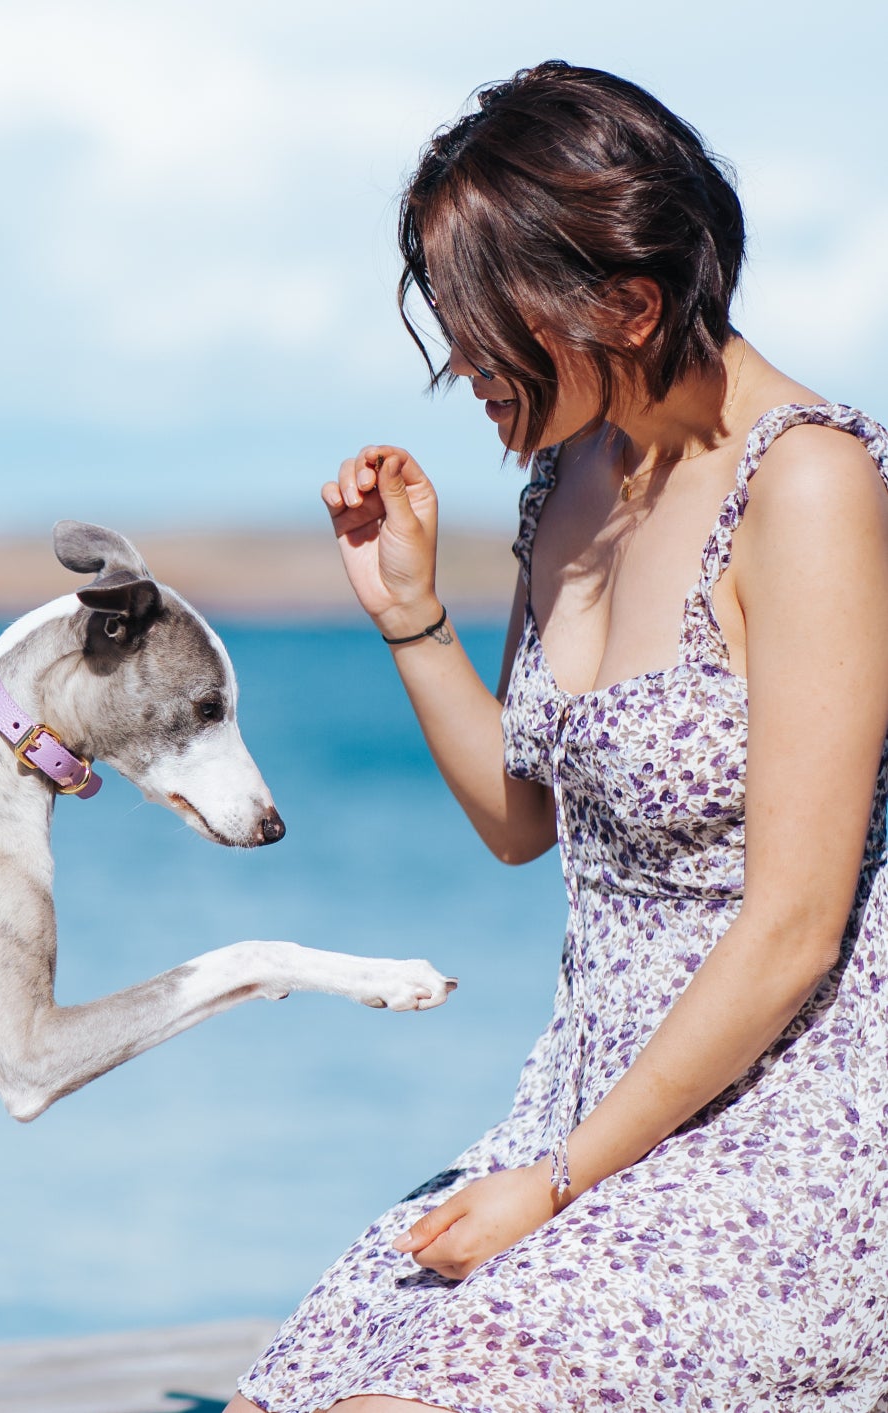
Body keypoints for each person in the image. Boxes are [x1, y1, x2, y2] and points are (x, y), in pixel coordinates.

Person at [227, 61, 888, 1412]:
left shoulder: (810, 484)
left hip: (789, 1143)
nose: (462, 365)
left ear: (630, 303)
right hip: (582, 1109)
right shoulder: (571, 478)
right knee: (282, 1396)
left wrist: (562, 1178)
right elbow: (521, 822)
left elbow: (795, 927)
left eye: (486, 326)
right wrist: (410, 614)